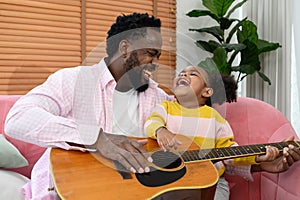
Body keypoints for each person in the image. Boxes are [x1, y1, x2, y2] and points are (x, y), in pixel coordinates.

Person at [4, 12, 300, 199]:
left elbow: (195, 152)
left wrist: (259, 165)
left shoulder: (160, 99)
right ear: (125, 49)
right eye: (150, 54)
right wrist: (96, 138)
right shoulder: (73, 80)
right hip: (69, 190)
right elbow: (18, 119)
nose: (157, 64)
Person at [144, 65, 300, 199]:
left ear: (207, 91)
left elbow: (230, 153)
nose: (183, 74)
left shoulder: (214, 118)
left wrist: (258, 156)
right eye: (181, 73)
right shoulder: (166, 107)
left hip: (212, 183)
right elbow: (151, 122)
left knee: (219, 191)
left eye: (192, 74)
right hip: (173, 183)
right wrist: (160, 130)